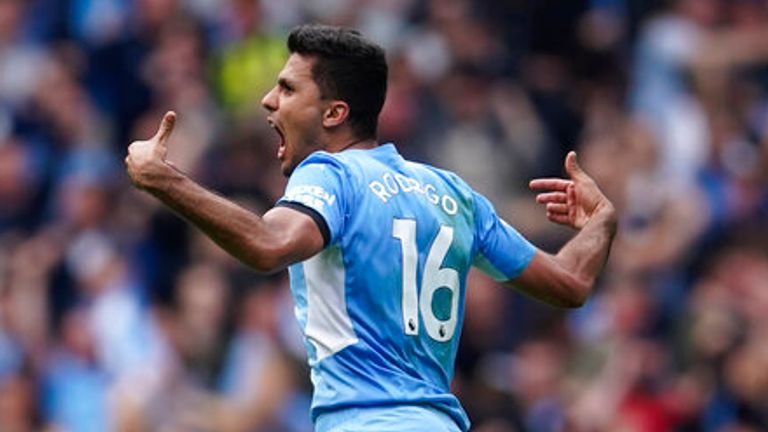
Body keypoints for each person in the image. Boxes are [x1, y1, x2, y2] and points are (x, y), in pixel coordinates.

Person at [125, 24, 617, 432]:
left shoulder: (330, 174)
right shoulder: (454, 195)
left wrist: (162, 180)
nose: (267, 101)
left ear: (335, 114)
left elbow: (267, 244)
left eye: (288, 89)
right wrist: (600, 222)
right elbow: (570, 282)